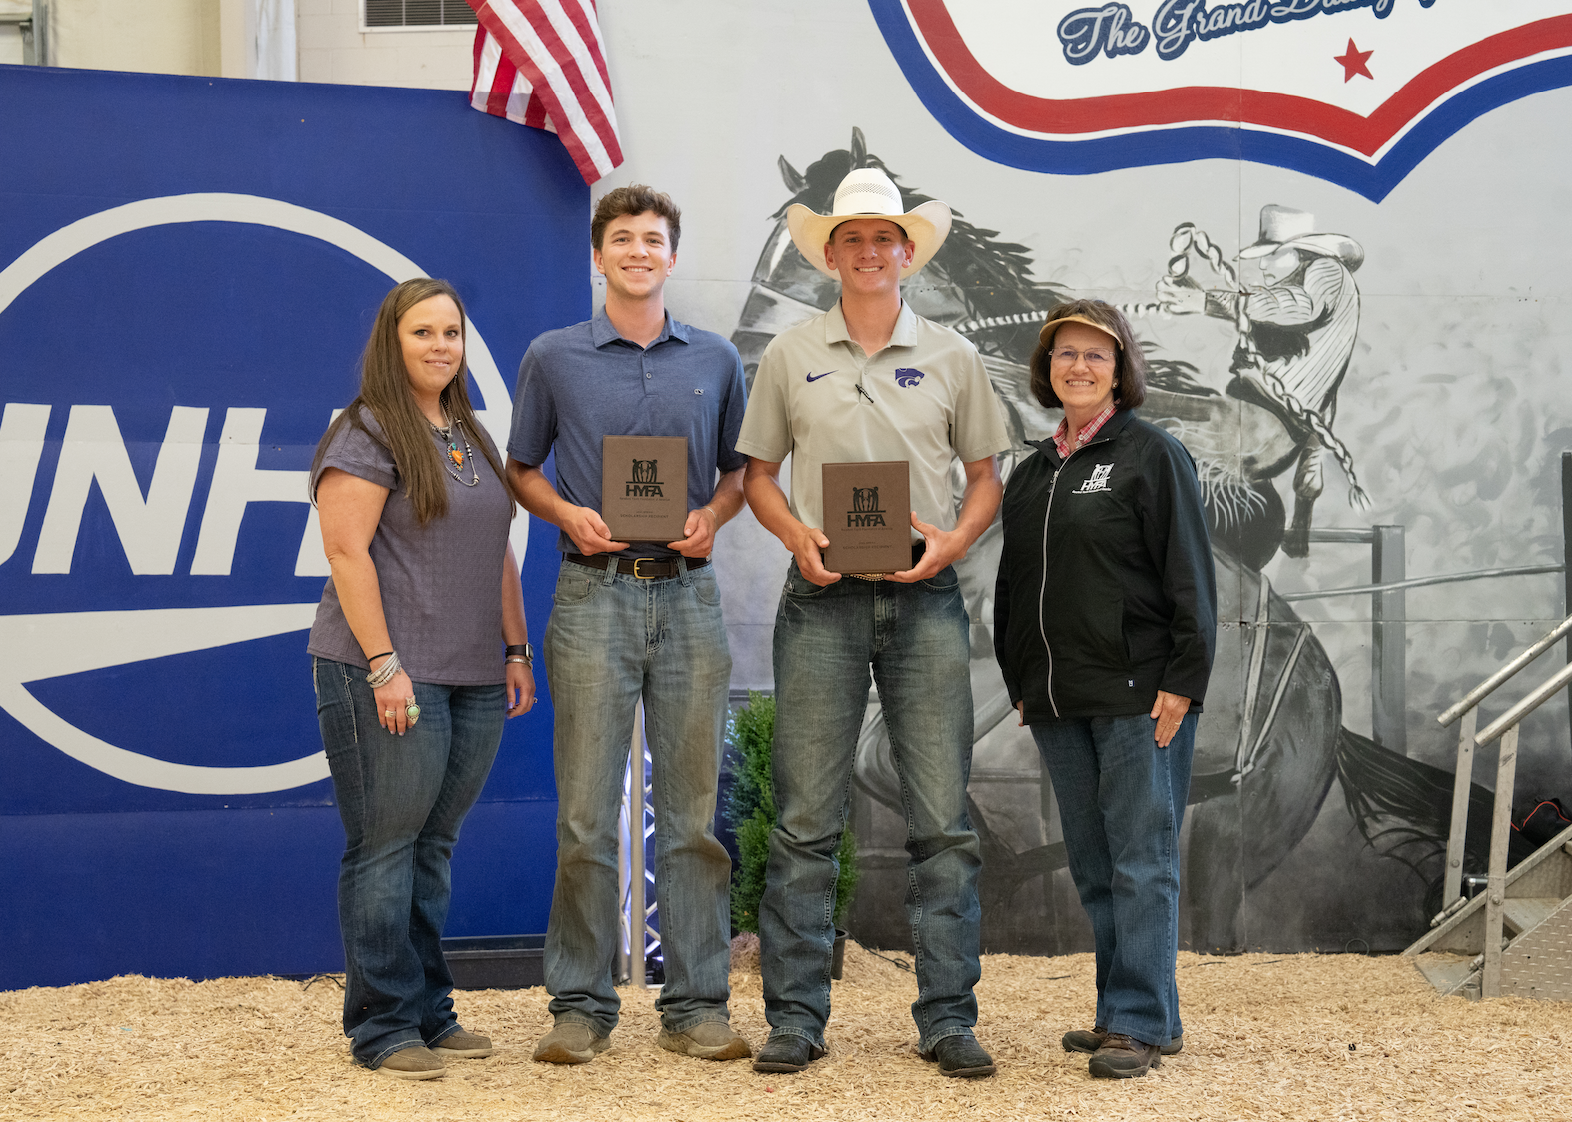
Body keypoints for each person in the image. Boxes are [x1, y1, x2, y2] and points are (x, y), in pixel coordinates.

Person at [736, 167, 1010, 1078]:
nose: (867, 252)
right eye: (850, 239)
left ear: (906, 253)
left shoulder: (954, 356)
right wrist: (793, 536)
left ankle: (947, 1017)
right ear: (829, 254)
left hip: (926, 599)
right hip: (819, 597)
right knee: (807, 820)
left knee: (942, 822)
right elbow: (759, 476)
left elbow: (984, 480)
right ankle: (796, 1018)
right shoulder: (789, 354)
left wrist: (953, 546)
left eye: (882, 238)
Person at [505, 185, 751, 1064]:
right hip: (592, 595)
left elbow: (736, 473)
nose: (638, 251)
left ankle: (697, 1005)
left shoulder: (717, 359)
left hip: (686, 595)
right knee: (584, 814)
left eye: (653, 239)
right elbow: (520, 468)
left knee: (691, 815)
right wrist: (566, 515)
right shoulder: (553, 356)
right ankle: (581, 1003)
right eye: (622, 238)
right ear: (599, 256)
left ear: (672, 257)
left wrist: (715, 516)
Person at [308, 277, 536, 1080]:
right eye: (423, 333)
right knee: (385, 846)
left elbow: (495, 551)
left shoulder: (469, 431)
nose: (441, 346)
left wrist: (516, 649)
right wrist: (383, 665)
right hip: (388, 672)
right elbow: (346, 553)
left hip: (474, 672)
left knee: (432, 848)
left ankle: (430, 1012)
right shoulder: (365, 430)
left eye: (452, 333)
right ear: (391, 341)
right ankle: (382, 1028)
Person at [993, 299, 1217, 1079]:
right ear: (1046, 368)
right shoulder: (1031, 473)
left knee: (1141, 860)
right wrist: (1023, 678)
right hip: (1059, 700)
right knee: (1095, 865)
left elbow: (1190, 571)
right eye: (1065, 355)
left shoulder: (1151, 454)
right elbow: (1014, 589)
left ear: (1121, 370)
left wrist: (1184, 680)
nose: (1078, 367)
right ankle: (1135, 1012)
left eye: (1096, 354)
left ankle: (1138, 1022)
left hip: (1138, 697)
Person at [1158, 204, 1365, 556]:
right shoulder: (1317, 310)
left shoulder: (1327, 272)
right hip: (1268, 433)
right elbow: (1321, 414)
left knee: (1141, 411)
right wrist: (1303, 513)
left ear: (1305, 251)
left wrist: (1205, 300)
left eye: (1272, 254)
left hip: (1256, 424)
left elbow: (1293, 305)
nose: (1264, 265)